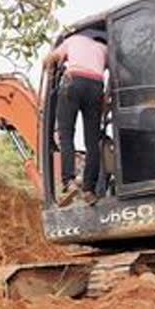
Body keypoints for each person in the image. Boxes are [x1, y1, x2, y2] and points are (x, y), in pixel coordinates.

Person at [42, 28, 108, 206]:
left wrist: (50, 64)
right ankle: (89, 190)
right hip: (96, 85)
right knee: (92, 141)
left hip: (73, 82)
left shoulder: (73, 40)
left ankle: (69, 182)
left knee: (66, 134)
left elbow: (50, 59)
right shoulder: (103, 48)